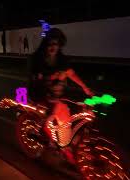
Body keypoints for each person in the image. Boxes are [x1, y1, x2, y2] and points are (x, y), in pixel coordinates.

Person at [28, 28, 94, 163]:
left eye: (56, 44)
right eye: (50, 43)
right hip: (40, 92)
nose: (53, 47)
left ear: (59, 45)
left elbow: (71, 74)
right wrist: (50, 78)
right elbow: (36, 80)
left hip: (56, 93)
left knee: (67, 113)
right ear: (45, 44)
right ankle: (48, 139)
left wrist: (85, 87)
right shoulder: (38, 59)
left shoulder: (61, 59)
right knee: (52, 113)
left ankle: (63, 142)